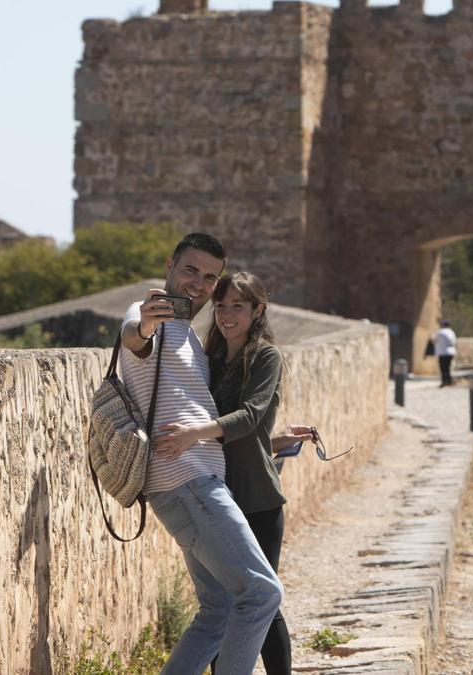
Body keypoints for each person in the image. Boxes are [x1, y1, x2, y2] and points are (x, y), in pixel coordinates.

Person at [118, 233, 283, 675]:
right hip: (188, 481)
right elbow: (135, 339)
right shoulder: (145, 314)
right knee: (263, 593)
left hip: (189, 482)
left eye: (210, 277)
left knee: (219, 610)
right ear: (170, 265)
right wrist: (146, 325)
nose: (199, 283)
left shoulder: (192, 336)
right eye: (191, 270)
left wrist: (276, 441)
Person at [156, 272, 299, 675]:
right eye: (221, 306)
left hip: (256, 498)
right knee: (222, 606)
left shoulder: (267, 356)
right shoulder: (210, 359)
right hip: (212, 493)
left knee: (261, 602)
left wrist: (193, 434)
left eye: (238, 305)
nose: (226, 314)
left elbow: (251, 418)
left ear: (258, 310)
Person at [433, 319, 458, 387]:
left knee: (443, 367)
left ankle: (444, 381)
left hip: (443, 352)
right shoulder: (451, 332)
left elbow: (434, 340)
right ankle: (449, 380)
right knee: (448, 367)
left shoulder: (440, 332)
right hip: (451, 352)